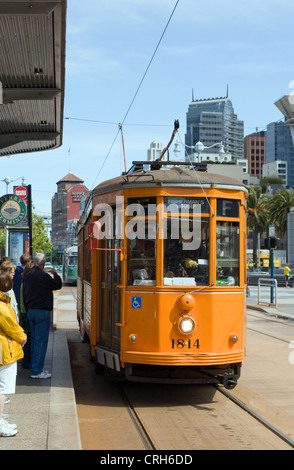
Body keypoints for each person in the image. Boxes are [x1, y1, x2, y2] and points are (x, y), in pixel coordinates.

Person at [23, 253, 62, 379]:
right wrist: (55, 274)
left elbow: (24, 293)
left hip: (30, 312)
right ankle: (36, 371)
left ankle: (35, 367)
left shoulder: (28, 276)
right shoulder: (44, 276)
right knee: (40, 341)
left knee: (34, 340)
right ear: (43, 263)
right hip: (42, 313)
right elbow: (57, 285)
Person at [0, 271, 27, 437]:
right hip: (5, 350)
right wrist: (22, 336)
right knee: (3, 388)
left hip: (4, 349)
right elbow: (11, 326)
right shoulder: (2, 306)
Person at [19, 261, 34, 369]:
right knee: (28, 338)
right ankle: (26, 361)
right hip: (26, 311)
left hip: (24, 311)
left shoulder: (23, 281)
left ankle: (26, 359)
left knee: (27, 336)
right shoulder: (27, 282)